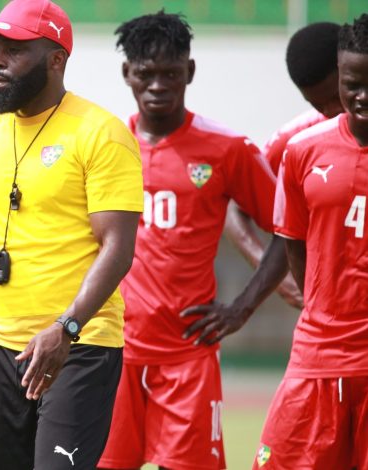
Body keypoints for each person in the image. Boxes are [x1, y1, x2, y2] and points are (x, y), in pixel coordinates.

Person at [0, 1, 144, 468]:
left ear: (56, 59)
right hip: (0, 347)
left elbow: (118, 249)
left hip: (80, 344)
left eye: (13, 51)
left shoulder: (101, 132)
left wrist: (66, 328)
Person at [96, 12, 289, 470]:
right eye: (146, 74)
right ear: (127, 74)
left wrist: (243, 306)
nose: (158, 85)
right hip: (110, 352)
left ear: (191, 72)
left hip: (187, 356)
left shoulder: (227, 149)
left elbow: (288, 228)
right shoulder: (103, 145)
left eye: (171, 74)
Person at [253, 14, 368, 469]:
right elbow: (292, 243)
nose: (362, 97)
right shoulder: (303, 150)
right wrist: (320, 303)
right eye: (352, 83)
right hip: (319, 353)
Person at [223, 22, 343, 309]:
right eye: (318, 104)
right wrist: (281, 283)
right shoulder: (296, 141)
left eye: (336, 97)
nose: (331, 112)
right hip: (331, 311)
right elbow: (236, 210)